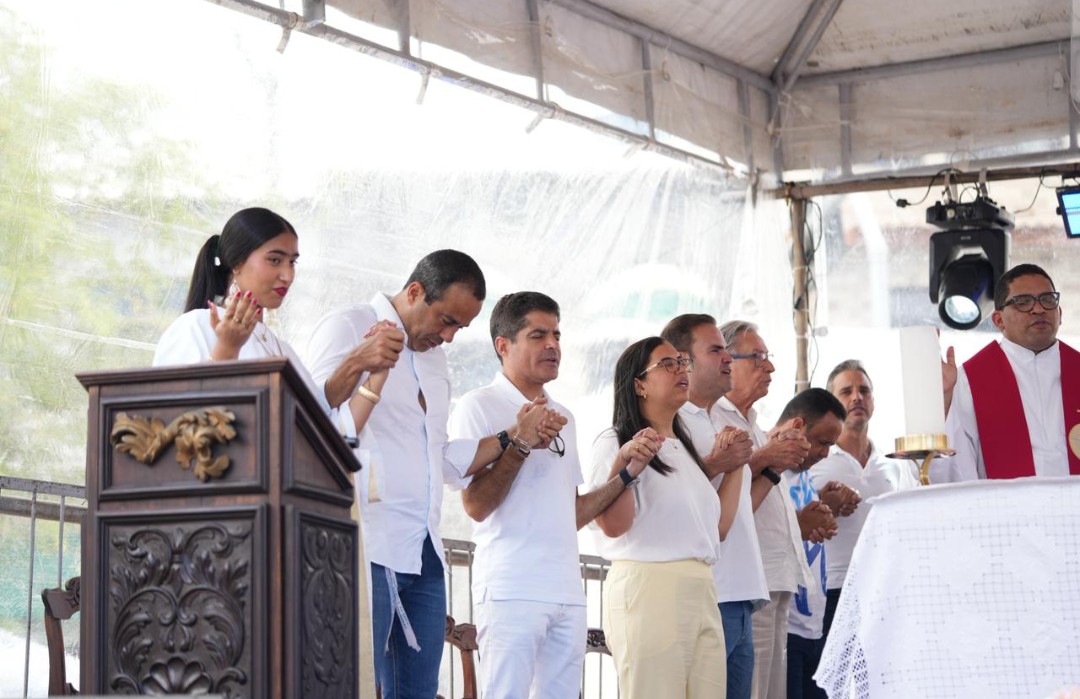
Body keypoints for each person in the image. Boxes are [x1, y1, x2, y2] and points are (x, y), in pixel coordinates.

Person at [305, 250, 547, 698]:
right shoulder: (347, 325)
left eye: (460, 327)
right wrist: (362, 362)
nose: (450, 337)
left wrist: (513, 436)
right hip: (366, 544)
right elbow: (313, 419)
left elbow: (439, 458)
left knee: (418, 691)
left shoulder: (434, 361)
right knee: (350, 685)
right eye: (446, 320)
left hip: (423, 551)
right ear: (414, 291)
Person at [451, 292, 652, 699]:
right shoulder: (480, 406)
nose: (553, 345)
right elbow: (475, 506)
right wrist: (520, 444)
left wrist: (625, 476)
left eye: (557, 334)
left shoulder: (567, 416)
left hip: (565, 591)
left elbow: (571, 513)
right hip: (511, 589)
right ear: (502, 345)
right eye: (538, 334)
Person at [590, 337, 726, 698]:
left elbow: (715, 528)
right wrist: (625, 465)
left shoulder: (684, 446)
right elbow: (613, 526)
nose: (681, 370)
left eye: (683, 362)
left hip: (701, 586)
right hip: (651, 587)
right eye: (667, 365)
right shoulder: (616, 441)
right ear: (639, 384)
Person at [715, 321, 835, 699]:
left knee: (771, 690)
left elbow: (757, 495)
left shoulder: (750, 423)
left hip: (774, 577)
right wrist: (767, 457)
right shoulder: (713, 418)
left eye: (768, 358)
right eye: (758, 357)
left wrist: (772, 461)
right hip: (749, 579)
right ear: (726, 361)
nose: (769, 367)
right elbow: (717, 497)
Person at [800, 360, 918, 697]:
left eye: (863, 390)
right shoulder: (814, 459)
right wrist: (824, 505)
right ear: (830, 400)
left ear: (874, 400)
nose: (856, 398)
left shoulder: (894, 463)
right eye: (846, 391)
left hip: (880, 591)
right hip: (829, 590)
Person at [662, 313, 764, 699]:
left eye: (726, 349)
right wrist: (717, 465)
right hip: (707, 596)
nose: (727, 358)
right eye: (716, 349)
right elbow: (666, 502)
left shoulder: (720, 420)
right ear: (683, 361)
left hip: (740, 593)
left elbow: (738, 509)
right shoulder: (672, 423)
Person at [153, 207, 328, 412]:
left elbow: (322, 420)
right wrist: (227, 348)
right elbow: (173, 418)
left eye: (292, 262)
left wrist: (367, 374)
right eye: (275, 260)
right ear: (237, 262)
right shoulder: (194, 326)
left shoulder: (278, 346)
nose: (288, 275)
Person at [939, 263, 1080, 481]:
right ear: (998, 320)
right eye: (1023, 302)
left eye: (1048, 299)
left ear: (1059, 313)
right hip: (1005, 511)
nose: (1039, 309)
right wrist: (943, 400)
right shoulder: (970, 380)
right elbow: (957, 470)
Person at [771, 388, 850, 699]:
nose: (825, 453)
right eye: (823, 442)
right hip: (785, 627)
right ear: (797, 426)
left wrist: (822, 505)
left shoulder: (802, 475)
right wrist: (801, 526)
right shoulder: (769, 474)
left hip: (813, 626)